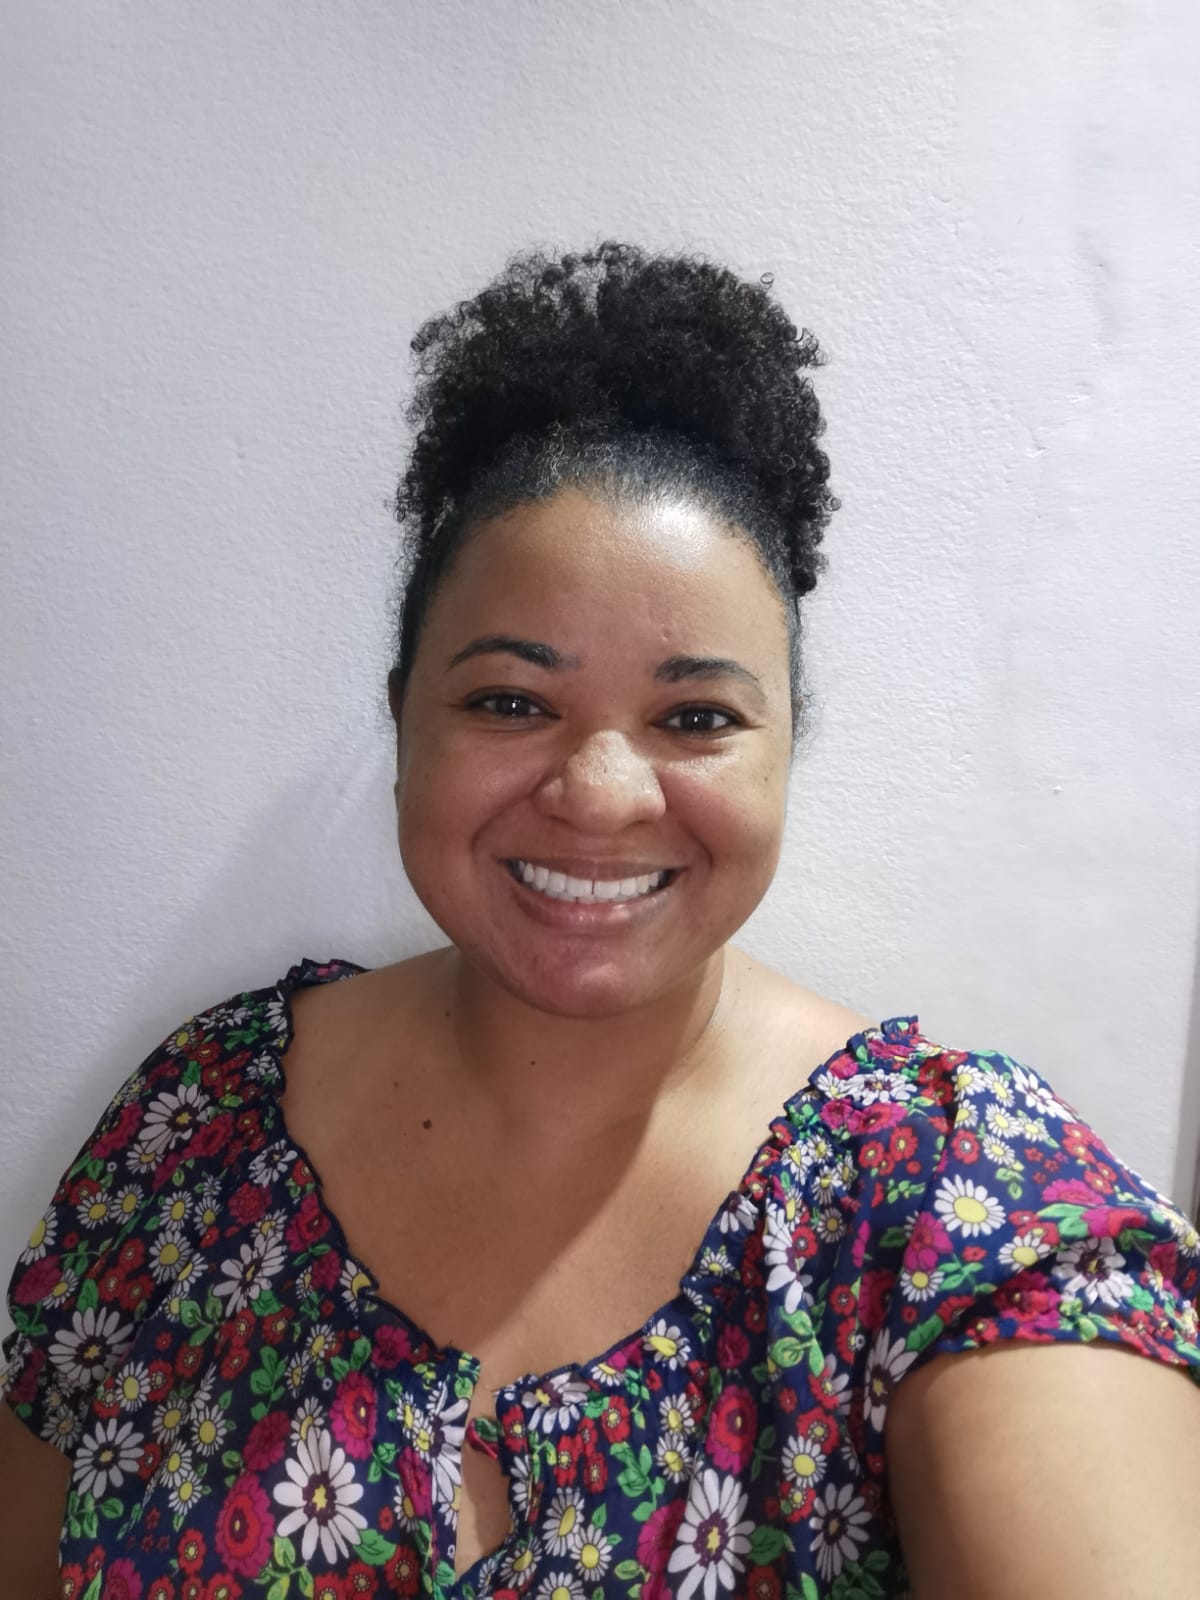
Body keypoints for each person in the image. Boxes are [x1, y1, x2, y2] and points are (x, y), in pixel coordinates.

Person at [2, 240, 1199, 1600]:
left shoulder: (955, 1195)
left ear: (785, 747)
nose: (601, 793)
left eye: (696, 716)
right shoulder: (202, 1124)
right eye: (512, 702)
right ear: (404, 719)